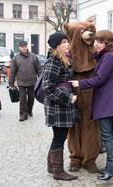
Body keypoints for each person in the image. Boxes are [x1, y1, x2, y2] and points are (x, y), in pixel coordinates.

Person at [70, 30, 113, 181]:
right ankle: (112, 168)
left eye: (99, 42)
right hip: (107, 100)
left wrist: (79, 83)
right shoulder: (105, 56)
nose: (95, 44)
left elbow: (99, 79)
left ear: (107, 43)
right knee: (108, 134)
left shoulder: (109, 57)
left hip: (108, 100)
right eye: (96, 41)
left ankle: (112, 170)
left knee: (108, 135)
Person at [43, 32, 79, 181]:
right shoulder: (54, 61)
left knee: (58, 136)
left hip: (61, 105)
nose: (67, 45)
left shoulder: (63, 59)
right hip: (58, 106)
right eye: (64, 42)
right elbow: (48, 87)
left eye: (67, 42)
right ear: (57, 45)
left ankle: (52, 166)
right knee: (59, 137)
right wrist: (69, 98)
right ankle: (58, 171)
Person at [9, 41, 42, 121]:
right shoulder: (16, 58)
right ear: (19, 48)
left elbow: (39, 69)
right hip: (21, 81)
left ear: (27, 47)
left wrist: (41, 80)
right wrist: (11, 82)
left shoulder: (33, 57)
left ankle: (29, 110)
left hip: (32, 80)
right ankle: (23, 114)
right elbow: (12, 71)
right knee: (23, 98)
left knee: (31, 97)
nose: (24, 48)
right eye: (22, 47)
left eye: (25, 46)